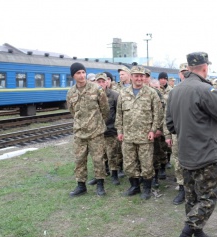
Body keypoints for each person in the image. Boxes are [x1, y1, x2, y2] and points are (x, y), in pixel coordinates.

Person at [166, 52, 217, 237]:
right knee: (207, 198)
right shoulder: (204, 89)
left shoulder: (175, 91)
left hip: (186, 154)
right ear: (205, 68)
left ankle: (199, 236)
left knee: (192, 198)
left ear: (189, 67)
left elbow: (171, 124)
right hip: (206, 154)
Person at [115, 66, 161, 200]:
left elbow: (157, 114)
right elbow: (119, 114)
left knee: (146, 164)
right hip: (128, 135)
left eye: (141, 76)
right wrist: (120, 131)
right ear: (131, 76)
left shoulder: (151, 93)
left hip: (145, 135)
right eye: (136, 75)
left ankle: (147, 188)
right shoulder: (123, 93)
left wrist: (153, 130)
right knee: (129, 164)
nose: (139, 78)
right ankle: (134, 186)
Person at [66, 63, 109, 197]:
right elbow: (72, 111)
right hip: (79, 132)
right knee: (79, 160)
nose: (82, 75)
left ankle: (100, 184)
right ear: (73, 75)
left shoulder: (96, 89)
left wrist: (97, 122)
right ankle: (81, 185)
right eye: (78, 73)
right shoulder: (71, 92)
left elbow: (105, 109)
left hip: (96, 131)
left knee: (98, 159)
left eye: (83, 72)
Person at [87, 73, 121, 186]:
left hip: (111, 130)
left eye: (103, 81)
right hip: (96, 131)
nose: (101, 84)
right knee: (99, 156)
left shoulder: (115, 95)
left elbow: (119, 113)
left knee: (112, 154)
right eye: (98, 82)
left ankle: (114, 175)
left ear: (107, 82)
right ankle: (100, 175)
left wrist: (118, 128)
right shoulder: (91, 96)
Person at [165, 62, 189, 205]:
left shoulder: (198, 90)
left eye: (187, 71)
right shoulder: (173, 92)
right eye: (182, 71)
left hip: (194, 135)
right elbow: (167, 116)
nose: (185, 74)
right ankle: (182, 188)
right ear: (179, 74)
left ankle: (193, 189)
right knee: (179, 162)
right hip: (177, 134)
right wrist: (168, 135)